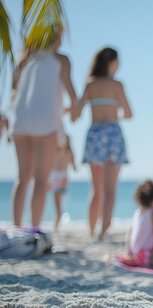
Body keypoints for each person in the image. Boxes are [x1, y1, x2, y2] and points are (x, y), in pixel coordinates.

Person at [11, 27, 79, 228]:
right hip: (46, 122)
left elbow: (15, 92)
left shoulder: (25, 60)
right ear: (56, 38)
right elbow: (72, 95)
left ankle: (16, 229)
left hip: (20, 121)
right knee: (41, 179)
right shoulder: (61, 60)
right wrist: (74, 111)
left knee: (22, 178)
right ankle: (33, 230)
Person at [77, 47, 133, 240]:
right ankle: (103, 232)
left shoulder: (90, 84)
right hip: (112, 134)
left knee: (96, 190)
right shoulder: (117, 85)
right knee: (110, 189)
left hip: (94, 133)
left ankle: (91, 231)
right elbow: (129, 113)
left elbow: (76, 113)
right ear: (112, 62)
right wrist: (114, 110)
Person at [50, 134, 77, 232]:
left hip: (62, 178)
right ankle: (56, 225)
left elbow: (74, 166)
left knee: (58, 203)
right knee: (57, 203)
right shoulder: (57, 151)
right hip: (56, 177)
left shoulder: (67, 153)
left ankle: (56, 226)